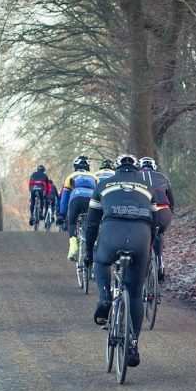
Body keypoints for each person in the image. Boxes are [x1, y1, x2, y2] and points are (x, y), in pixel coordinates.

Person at [84, 154, 156, 367]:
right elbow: (155, 224)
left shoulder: (103, 184)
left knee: (100, 261)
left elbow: (91, 224)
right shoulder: (146, 187)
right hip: (140, 236)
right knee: (134, 294)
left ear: (116, 169)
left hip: (111, 233)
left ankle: (105, 298)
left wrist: (89, 252)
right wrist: (150, 250)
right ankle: (133, 344)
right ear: (135, 170)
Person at [138, 156, 174, 282]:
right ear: (154, 167)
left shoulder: (135, 177)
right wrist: (170, 215)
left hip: (144, 211)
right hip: (164, 211)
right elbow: (171, 201)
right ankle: (159, 261)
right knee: (159, 232)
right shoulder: (163, 177)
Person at [59, 155, 98, 260]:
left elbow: (64, 198)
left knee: (71, 222)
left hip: (76, 197)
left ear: (75, 166)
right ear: (88, 167)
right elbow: (100, 195)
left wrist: (62, 214)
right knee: (94, 223)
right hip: (91, 198)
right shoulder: (94, 177)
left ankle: (73, 247)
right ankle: (94, 245)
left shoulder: (70, 176)